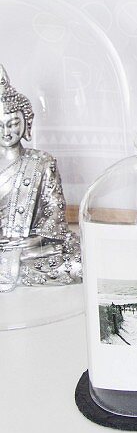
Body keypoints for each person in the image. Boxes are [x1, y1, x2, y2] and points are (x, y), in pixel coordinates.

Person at [0, 64, 81, 286]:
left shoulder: (42, 162)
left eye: (13, 123)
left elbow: (54, 215)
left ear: (27, 122)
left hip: (35, 246)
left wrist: (34, 242)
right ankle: (16, 264)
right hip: (10, 248)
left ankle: (14, 265)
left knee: (77, 263)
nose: (7, 132)